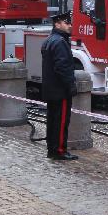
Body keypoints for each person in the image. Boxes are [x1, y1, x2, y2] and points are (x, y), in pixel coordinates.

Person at [41, 10, 78, 161]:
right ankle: (59, 150)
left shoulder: (50, 39)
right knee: (61, 121)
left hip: (51, 89)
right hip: (60, 90)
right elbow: (62, 68)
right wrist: (70, 85)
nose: (70, 25)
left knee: (52, 120)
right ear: (57, 24)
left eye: (70, 22)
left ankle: (52, 148)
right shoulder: (60, 42)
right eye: (66, 22)